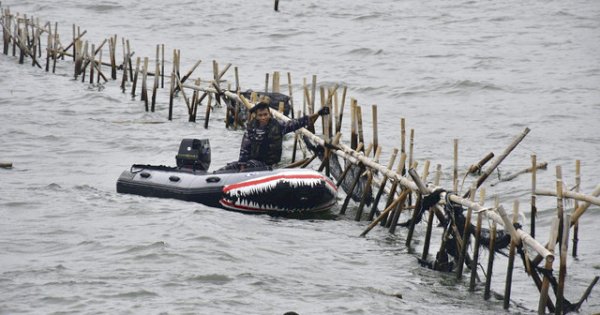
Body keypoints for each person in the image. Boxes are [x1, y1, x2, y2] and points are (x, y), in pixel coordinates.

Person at [223, 98, 329, 171]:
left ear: (269, 114)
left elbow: (297, 122)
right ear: (256, 116)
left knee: (250, 165)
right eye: (260, 115)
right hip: (251, 162)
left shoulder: (278, 126)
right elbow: (244, 149)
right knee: (230, 167)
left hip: (267, 165)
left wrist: (318, 114)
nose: (263, 117)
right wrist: (242, 167)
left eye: (265, 114)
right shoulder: (251, 128)